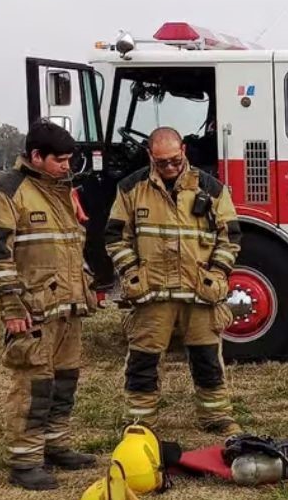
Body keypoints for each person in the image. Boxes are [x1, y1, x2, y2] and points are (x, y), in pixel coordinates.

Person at [0, 119, 99, 490]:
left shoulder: (61, 190)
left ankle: (55, 445)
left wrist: (86, 285)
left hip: (67, 307)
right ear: (36, 156)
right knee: (34, 384)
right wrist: (12, 308)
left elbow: (70, 245)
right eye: (60, 160)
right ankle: (25, 460)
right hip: (33, 311)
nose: (66, 166)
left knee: (64, 382)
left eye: (68, 159)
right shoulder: (6, 192)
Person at [103, 127, 244, 435]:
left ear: (184, 150)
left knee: (208, 359)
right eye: (162, 161)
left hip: (199, 292)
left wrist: (217, 274)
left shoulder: (212, 188)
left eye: (174, 160)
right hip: (152, 294)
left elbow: (230, 237)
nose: (169, 167)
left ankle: (216, 416)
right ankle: (140, 421)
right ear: (149, 155)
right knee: (143, 360)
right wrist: (131, 273)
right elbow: (115, 236)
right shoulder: (131, 188)